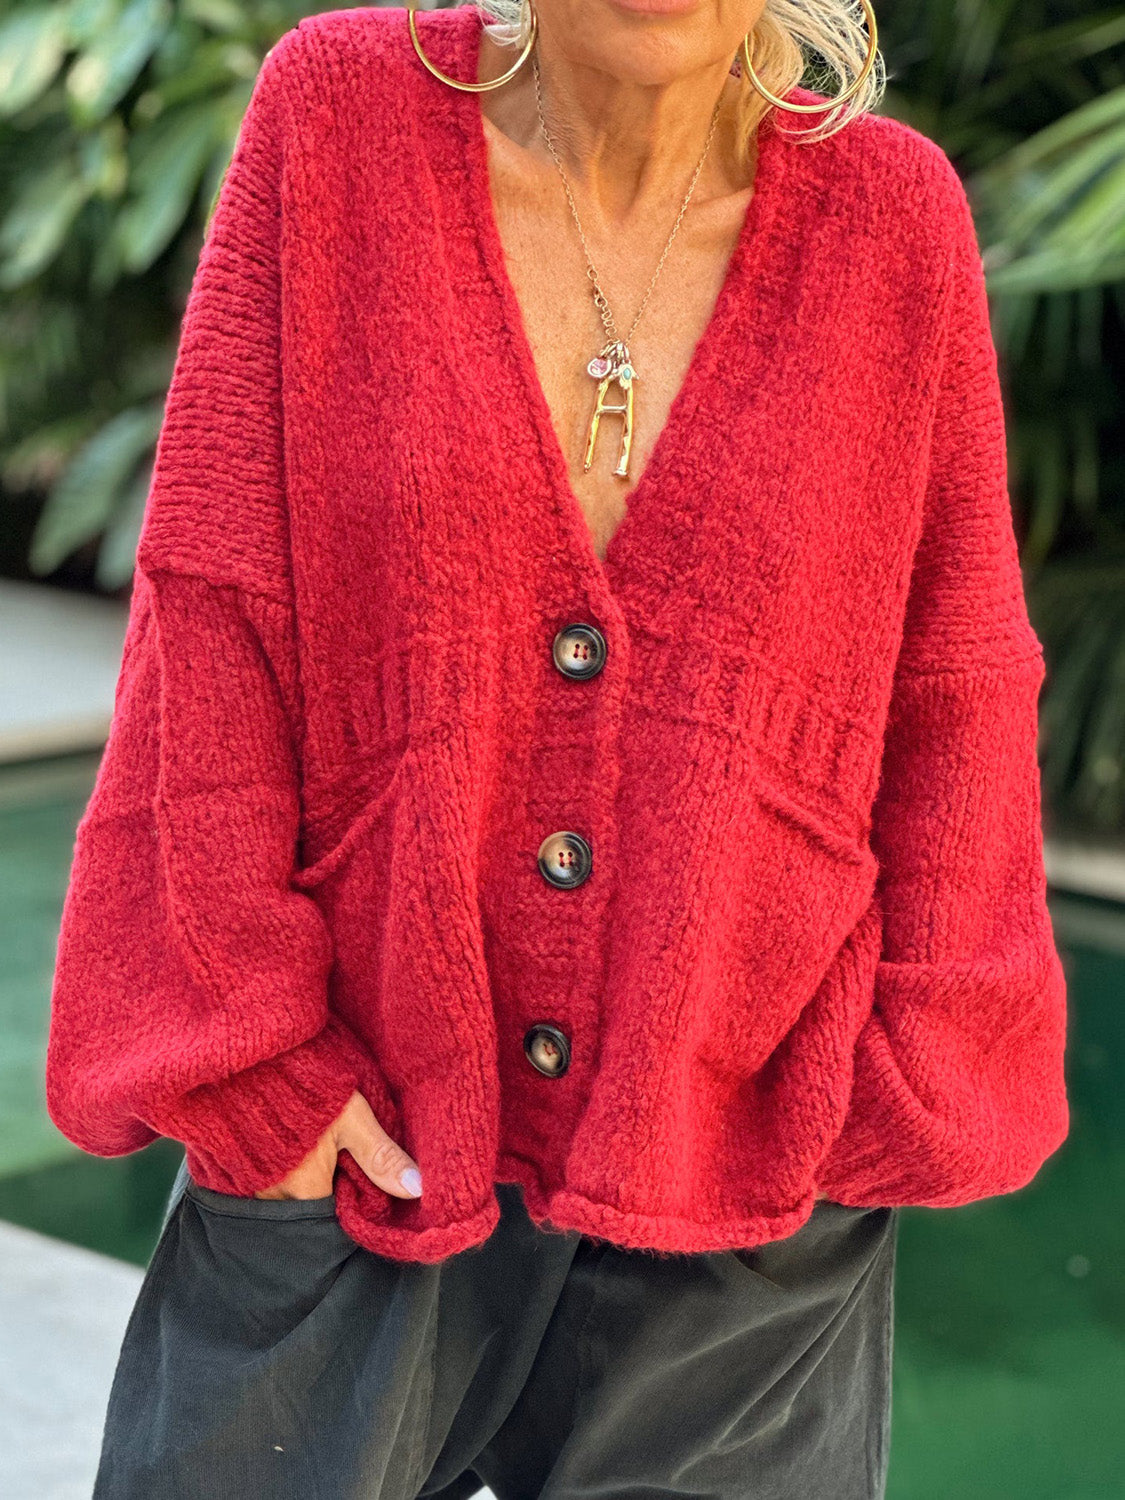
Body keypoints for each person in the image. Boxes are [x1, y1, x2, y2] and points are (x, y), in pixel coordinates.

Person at [45, 1, 1070, 1496]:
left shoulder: (889, 220)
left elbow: (957, 676)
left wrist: (896, 1084)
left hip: (741, 1179)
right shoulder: (336, 122)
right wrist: (251, 1058)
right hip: (355, 1134)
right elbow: (210, 609)